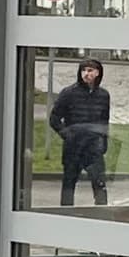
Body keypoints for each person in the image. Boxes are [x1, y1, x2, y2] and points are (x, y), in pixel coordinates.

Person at [46, 58, 113, 206]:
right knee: (69, 183)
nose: (86, 74)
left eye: (90, 70)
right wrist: (67, 134)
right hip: (73, 146)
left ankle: (102, 214)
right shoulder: (68, 93)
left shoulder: (103, 95)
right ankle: (66, 213)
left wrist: (103, 143)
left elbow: (104, 121)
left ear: (98, 73)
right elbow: (54, 118)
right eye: (83, 70)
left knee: (99, 183)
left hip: (94, 147)